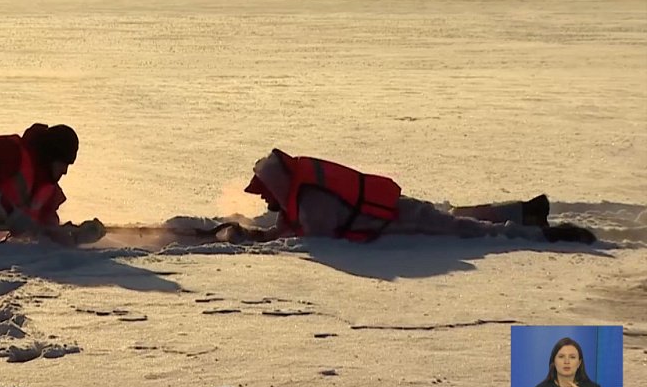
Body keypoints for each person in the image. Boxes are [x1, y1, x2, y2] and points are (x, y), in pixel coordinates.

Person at [218, 148, 597, 244]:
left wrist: (262, 240)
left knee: (470, 231)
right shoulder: (298, 192)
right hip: (398, 210)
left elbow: (314, 235)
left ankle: (546, 233)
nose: (264, 201)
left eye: (264, 194)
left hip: (401, 220)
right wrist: (262, 234)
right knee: (454, 216)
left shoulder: (311, 201)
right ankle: (524, 210)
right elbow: (291, 222)